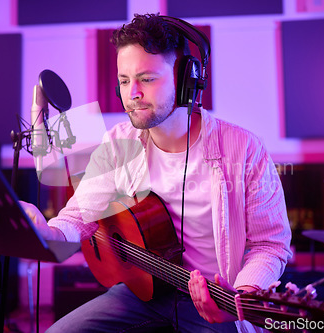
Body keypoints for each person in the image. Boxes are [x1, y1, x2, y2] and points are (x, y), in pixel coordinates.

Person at [21, 13, 292, 333]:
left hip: (218, 303)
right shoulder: (118, 142)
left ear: (185, 80)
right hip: (141, 293)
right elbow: (81, 213)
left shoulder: (244, 149)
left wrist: (240, 298)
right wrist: (47, 231)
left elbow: (270, 245)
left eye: (147, 79)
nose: (132, 93)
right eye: (124, 81)